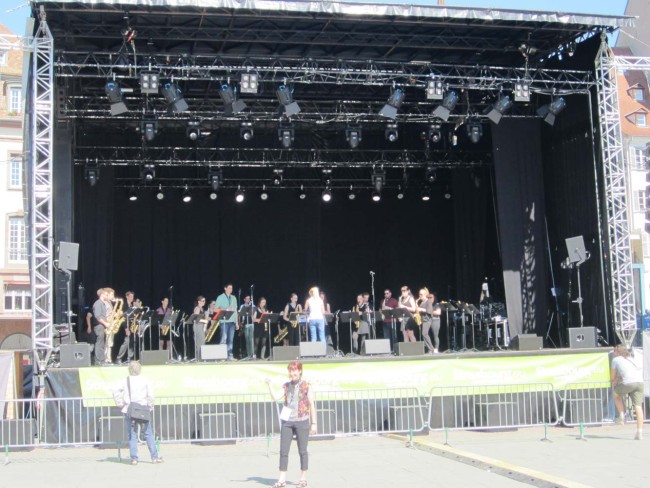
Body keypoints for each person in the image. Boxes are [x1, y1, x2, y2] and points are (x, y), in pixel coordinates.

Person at [265, 361, 317, 488]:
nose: (292, 373)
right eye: (290, 370)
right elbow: (275, 397)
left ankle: (303, 478)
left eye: (295, 370)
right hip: (287, 421)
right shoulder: (286, 386)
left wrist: (313, 423)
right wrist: (270, 385)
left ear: (300, 371)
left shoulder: (306, 385)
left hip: (302, 420)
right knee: (283, 450)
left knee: (303, 450)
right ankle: (282, 479)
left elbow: (311, 404)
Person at [113, 361, 163, 465]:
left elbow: (115, 391)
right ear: (140, 369)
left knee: (132, 434)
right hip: (143, 409)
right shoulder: (145, 380)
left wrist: (120, 403)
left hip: (129, 409)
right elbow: (151, 396)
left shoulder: (125, 380)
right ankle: (154, 457)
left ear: (129, 369)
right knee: (148, 433)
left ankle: (134, 458)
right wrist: (150, 406)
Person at [611, 344, 644, 440]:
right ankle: (639, 432)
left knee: (616, 394)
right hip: (639, 382)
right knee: (638, 406)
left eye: (614, 351)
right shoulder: (632, 358)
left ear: (617, 352)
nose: (613, 353)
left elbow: (612, 377)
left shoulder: (615, 360)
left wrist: (616, 379)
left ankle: (621, 415)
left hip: (627, 383)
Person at [216, 283, 239, 360]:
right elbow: (215, 309)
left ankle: (230, 355)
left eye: (231, 288)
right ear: (225, 288)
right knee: (223, 339)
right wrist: (225, 310)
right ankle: (221, 356)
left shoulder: (234, 298)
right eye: (229, 288)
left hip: (232, 321)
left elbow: (235, 310)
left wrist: (237, 322)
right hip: (223, 321)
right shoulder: (220, 297)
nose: (230, 290)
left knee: (231, 339)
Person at [92, 288, 111, 365]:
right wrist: (105, 323)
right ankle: (99, 360)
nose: (107, 296)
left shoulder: (102, 304)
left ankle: (101, 360)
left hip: (102, 325)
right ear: (102, 295)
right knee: (99, 343)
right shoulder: (98, 303)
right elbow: (98, 316)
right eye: (106, 295)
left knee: (102, 343)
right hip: (99, 326)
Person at [192, 296, 208, 360]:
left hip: (201, 326)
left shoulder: (202, 309)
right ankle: (199, 358)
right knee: (199, 342)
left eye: (204, 301)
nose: (204, 302)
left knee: (202, 342)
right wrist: (205, 320)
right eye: (203, 301)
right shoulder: (197, 308)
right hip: (197, 326)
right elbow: (196, 319)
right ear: (199, 301)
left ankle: (200, 357)